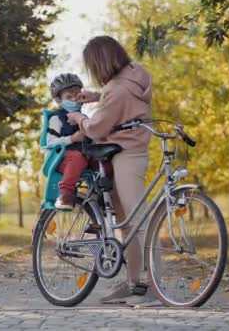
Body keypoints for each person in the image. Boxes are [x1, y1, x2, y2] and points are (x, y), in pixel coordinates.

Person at [67, 35, 153, 303]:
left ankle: (152, 287)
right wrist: (97, 95)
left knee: (137, 222)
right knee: (126, 224)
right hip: (131, 151)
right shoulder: (136, 74)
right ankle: (133, 283)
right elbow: (119, 96)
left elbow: (97, 127)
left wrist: (79, 117)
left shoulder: (116, 90)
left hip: (125, 155)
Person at [46, 73, 89, 210]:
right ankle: (64, 195)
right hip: (60, 158)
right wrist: (72, 139)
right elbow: (50, 141)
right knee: (77, 158)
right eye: (69, 97)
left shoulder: (84, 118)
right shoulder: (56, 118)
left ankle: (102, 194)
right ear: (59, 100)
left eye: (77, 96)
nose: (74, 100)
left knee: (104, 160)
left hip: (84, 156)